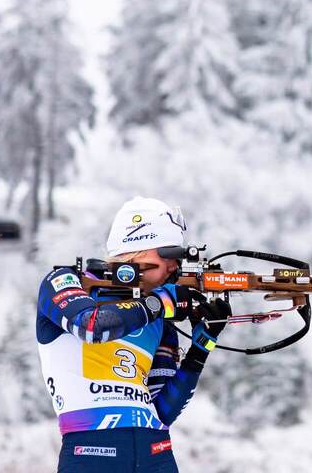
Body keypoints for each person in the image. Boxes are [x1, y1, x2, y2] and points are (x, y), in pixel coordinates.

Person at [36, 197, 231, 472]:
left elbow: (163, 412)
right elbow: (92, 326)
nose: (175, 266)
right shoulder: (66, 282)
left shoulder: (158, 313)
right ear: (137, 250)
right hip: (91, 453)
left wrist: (202, 345)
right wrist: (159, 304)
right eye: (168, 255)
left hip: (157, 454)